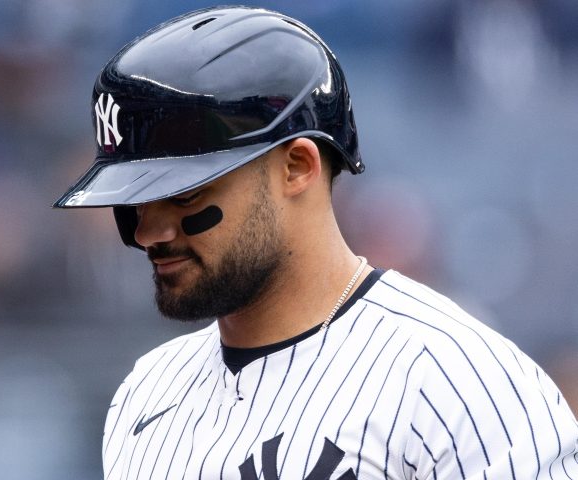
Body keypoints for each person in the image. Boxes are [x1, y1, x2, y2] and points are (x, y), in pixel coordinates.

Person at [54, 6, 578, 479]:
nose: (148, 232)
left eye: (184, 195)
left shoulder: (455, 379)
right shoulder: (146, 393)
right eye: (137, 202)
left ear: (297, 167)